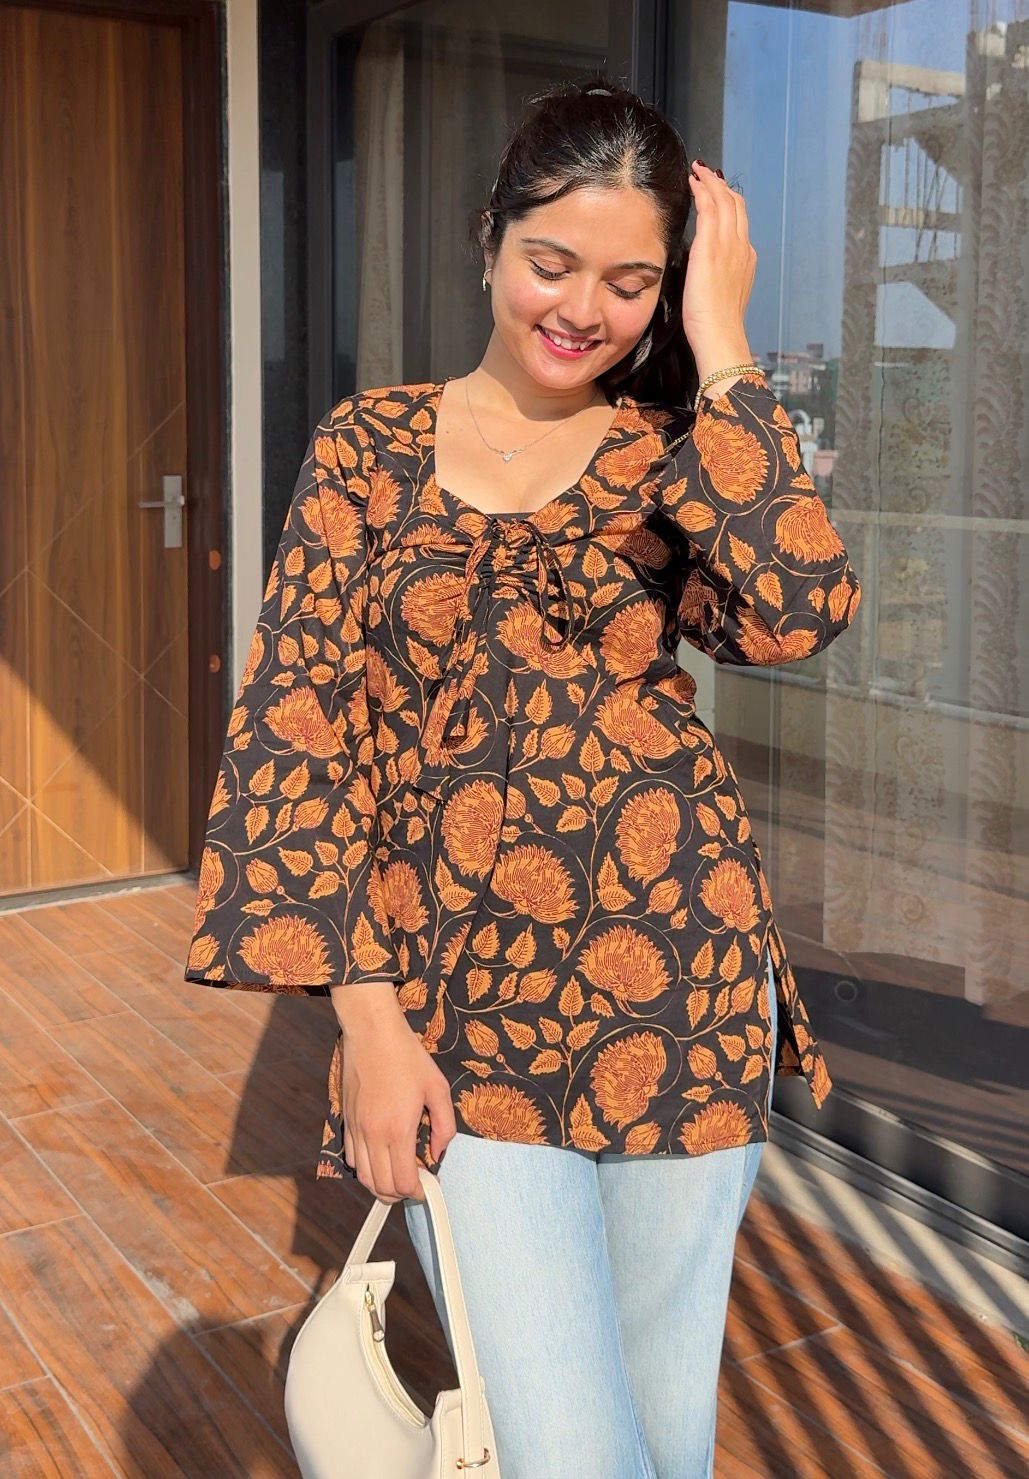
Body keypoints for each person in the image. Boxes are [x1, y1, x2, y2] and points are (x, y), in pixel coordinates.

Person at [185, 73, 860, 1479]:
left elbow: (797, 609)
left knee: (665, 1441)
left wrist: (724, 347)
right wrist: (365, 1028)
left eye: (631, 281)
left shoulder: (672, 451)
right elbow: (292, 739)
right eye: (552, 262)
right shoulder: (366, 449)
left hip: (682, 980)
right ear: (489, 240)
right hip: (455, 1013)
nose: (581, 307)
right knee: (567, 1452)